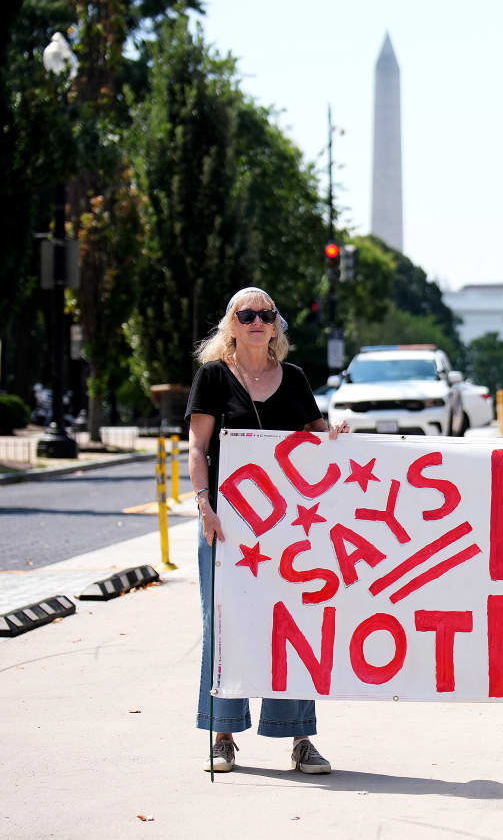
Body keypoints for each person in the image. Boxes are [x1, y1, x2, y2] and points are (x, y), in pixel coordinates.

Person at [186, 287, 349, 775]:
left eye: (266, 313)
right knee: (225, 624)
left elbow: (315, 439)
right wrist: (204, 506)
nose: (257, 320)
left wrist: (333, 435)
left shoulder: (295, 379)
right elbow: (198, 449)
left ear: (276, 325)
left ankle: (299, 738)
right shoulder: (213, 378)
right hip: (227, 526)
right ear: (231, 325)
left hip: (288, 530)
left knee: (292, 625)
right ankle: (222, 734)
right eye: (246, 314)